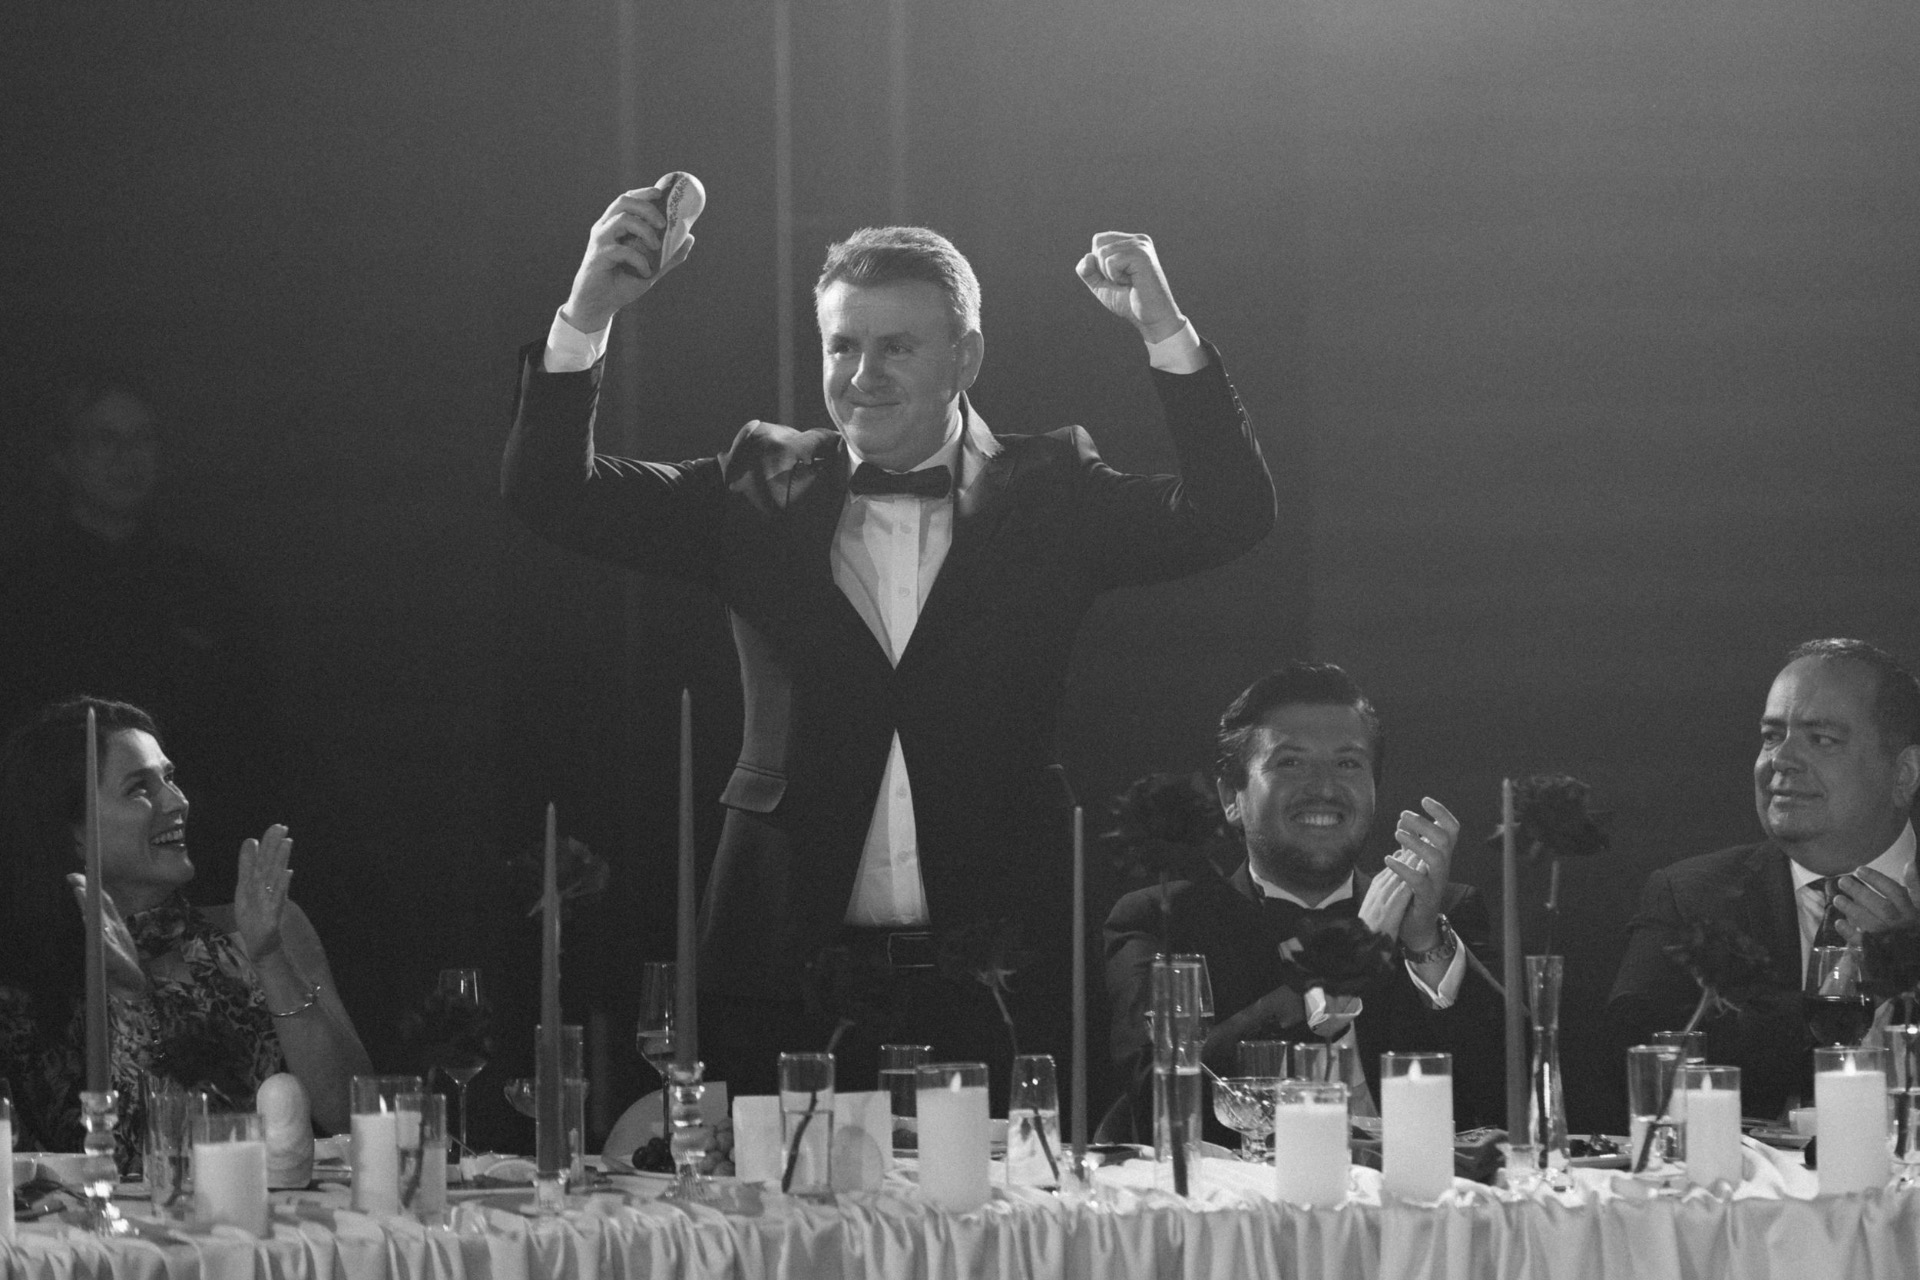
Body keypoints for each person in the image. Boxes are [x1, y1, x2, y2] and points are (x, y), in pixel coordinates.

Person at [501, 185, 1275, 1095]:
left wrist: (1165, 332)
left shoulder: (1052, 488)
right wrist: (588, 312)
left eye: (897, 347)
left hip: (1001, 972)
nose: (862, 373)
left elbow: (1231, 513)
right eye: (843, 345)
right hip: (783, 968)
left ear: (965, 357)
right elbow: (551, 495)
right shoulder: (757, 482)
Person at [1103, 662, 1503, 1142]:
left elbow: (1516, 1100)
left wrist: (1424, 945)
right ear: (1231, 797)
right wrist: (1335, 969)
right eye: (1290, 763)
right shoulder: (1162, 919)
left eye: (1348, 764)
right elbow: (1159, 1097)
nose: (1324, 788)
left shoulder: (1443, 913)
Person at [0, 697, 370, 1164]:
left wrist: (270, 958)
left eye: (169, 777)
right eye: (139, 788)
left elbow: (356, 1117)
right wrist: (129, 998)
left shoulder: (259, 927)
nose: (177, 802)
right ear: (75, 833)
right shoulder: (28, 990)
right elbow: (112, 1169)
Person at [1609, 638, 1920, 1118]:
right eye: (1772, 736)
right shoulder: (1690, 897)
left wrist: (1910, 974)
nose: (1781, 759)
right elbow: (1634, 1071)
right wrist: (1837, 1007)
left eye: (1822, 739)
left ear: (1904, 774)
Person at [0, 373, 284, 899]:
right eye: (105, 439)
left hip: (198, 855)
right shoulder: (21, 591)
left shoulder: (202, 585)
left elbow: (251, 733)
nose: (126, 457)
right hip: (60, 871)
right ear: (63, 456)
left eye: (141, 439)